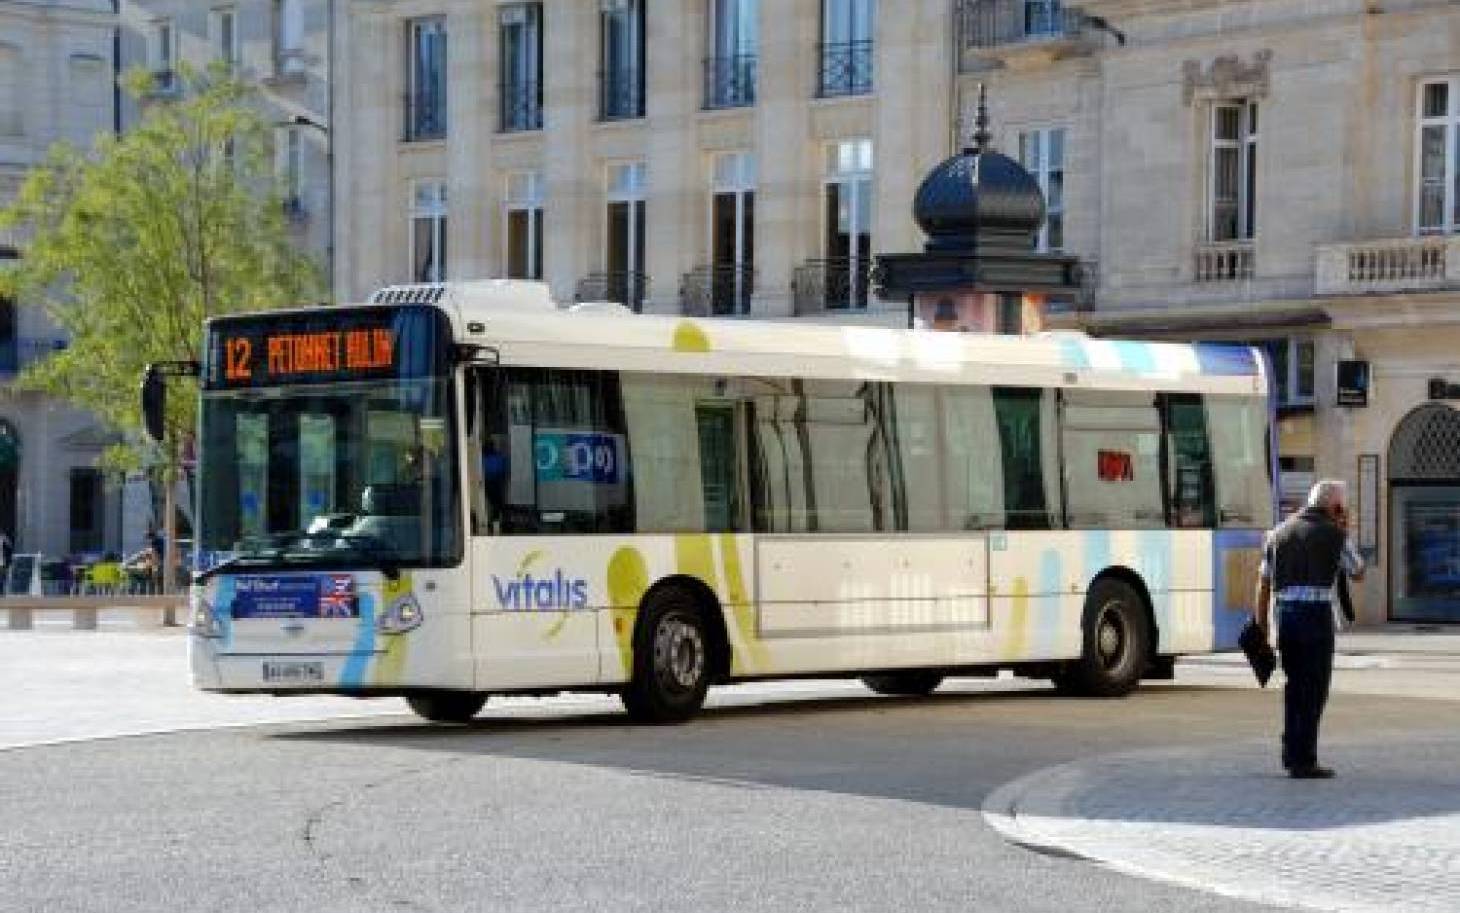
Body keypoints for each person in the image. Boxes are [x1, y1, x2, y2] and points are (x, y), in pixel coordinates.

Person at [1254, 480, 1365, 779]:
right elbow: (1358, 572)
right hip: (1316, 618)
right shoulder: (1335, 535)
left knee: (1294, 686)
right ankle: (1304, 759)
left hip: (1285, 617)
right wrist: (1345, 528)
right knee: (1314, 689)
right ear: (1336, 506)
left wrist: (1262, 626)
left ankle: (1292, 753)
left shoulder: (1277, 534)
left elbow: (1263, 584)